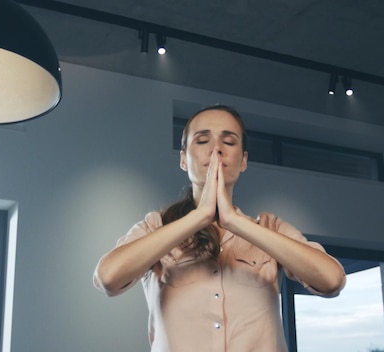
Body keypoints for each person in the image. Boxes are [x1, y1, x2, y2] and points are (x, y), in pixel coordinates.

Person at [93, 104, 346, 352]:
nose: (216, 149)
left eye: (229, 141)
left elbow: (332, 280)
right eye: (202, 141)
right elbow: (108, 277)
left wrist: (235, 222)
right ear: (183, 159)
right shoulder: (154, 227)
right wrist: (200, 216)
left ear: (243, 160)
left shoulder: (271, 228)